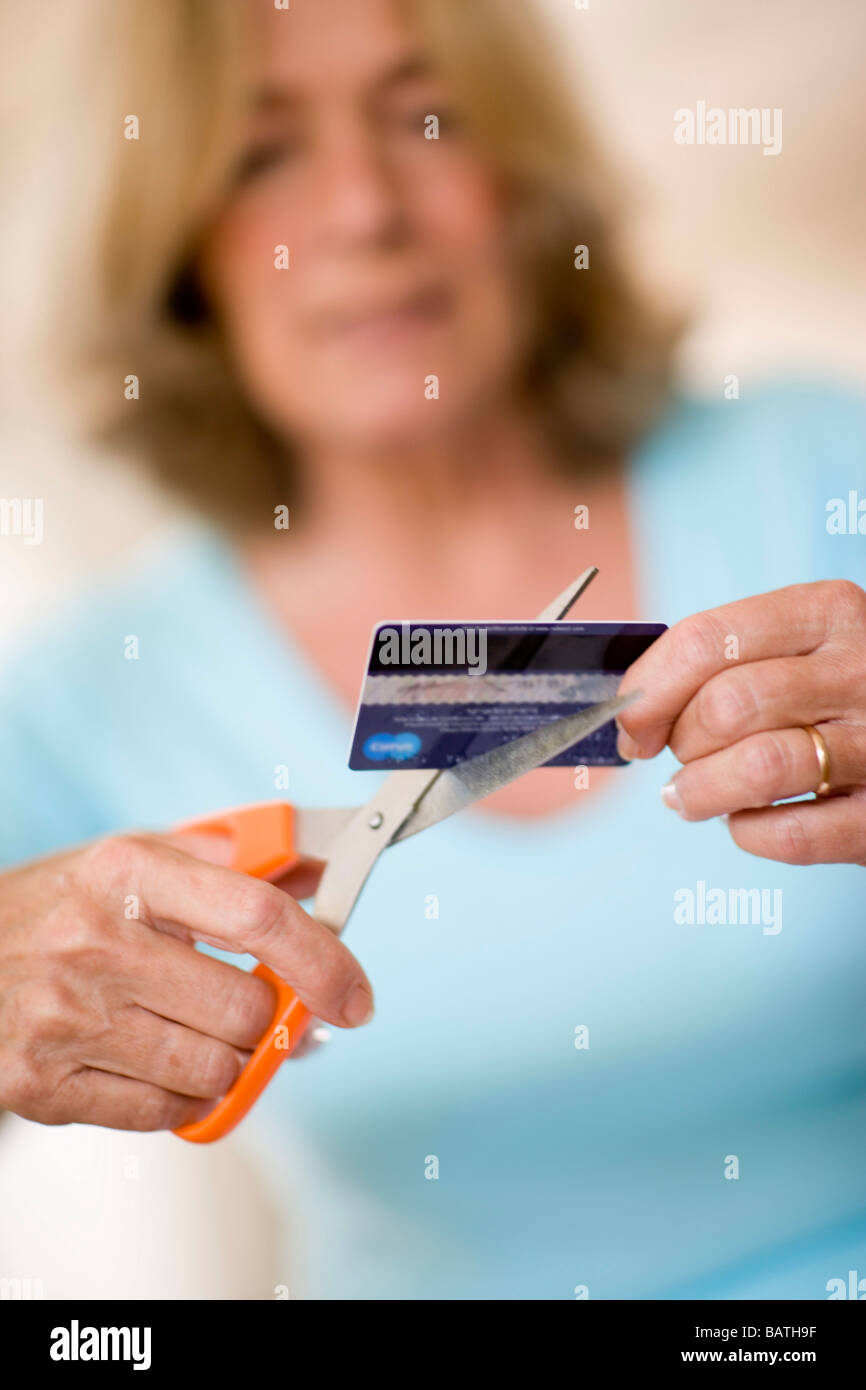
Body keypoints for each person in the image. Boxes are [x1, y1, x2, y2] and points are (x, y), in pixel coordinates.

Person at [0, 0, 864, 1300]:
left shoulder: (820, 470)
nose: (363, 207)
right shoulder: (87, 694)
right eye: (259, 151)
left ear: (519, 178)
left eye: (426, 115)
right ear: (176, 248)